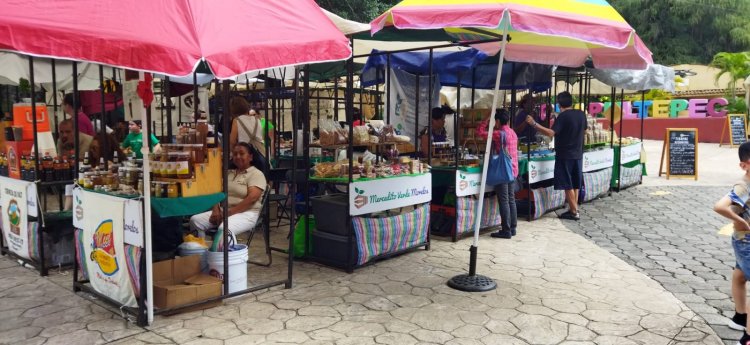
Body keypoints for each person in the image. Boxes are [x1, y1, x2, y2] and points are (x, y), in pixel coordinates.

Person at [527, 91, 586, 220]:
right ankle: (573, 209)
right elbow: (585, 131)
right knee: (575, 182)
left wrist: (534, 124)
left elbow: (550, 133)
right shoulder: (581, 115)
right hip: (578, 153)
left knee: (567, 184)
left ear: (559, 103)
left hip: (565, 154)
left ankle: (574, 211)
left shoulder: (563, 116)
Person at [189, 142, 266, 239]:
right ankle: (200, 249)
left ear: (250, 157)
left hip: (247, 213)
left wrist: (228, 213)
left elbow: (252, 198)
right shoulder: (228, 173)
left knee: (224, 229)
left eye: (241, 154)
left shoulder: (256, 174)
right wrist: (215, 209)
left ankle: (227, 253)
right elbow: (216, 191)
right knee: (195, 220)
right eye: (235, 154)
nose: (237, 156)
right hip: (223, 211)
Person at [713, 142, 750, 343]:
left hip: (743, 241)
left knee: (740, 275)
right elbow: (720, 206)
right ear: (744, 165)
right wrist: (741, 221)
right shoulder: (743, 186)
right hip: (747, 241)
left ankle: (740, 316)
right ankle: (747, 338)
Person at [477, 109, 519, 239]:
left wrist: (486, 118)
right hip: (513, 170)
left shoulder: (499, 134)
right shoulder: (513, 133)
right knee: (511, 199)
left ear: (498, 121)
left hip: (502, 171)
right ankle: (512, 228)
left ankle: (506, 230)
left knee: (504, 200)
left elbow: (479, 132)